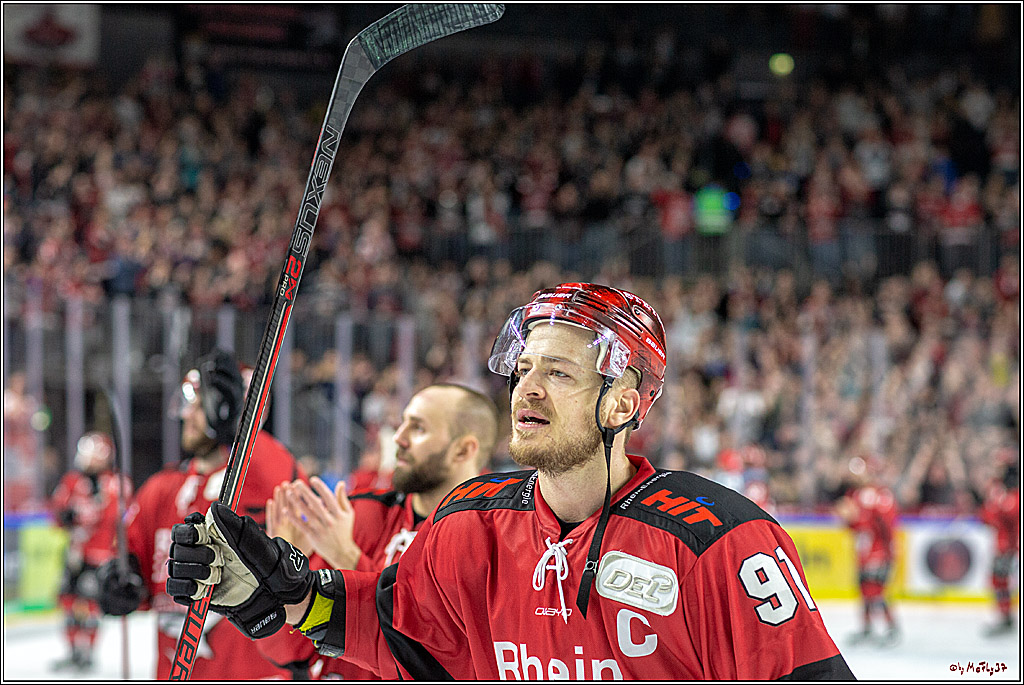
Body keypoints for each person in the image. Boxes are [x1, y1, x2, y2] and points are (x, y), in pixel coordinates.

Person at [166, 283, 854, 680]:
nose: (527, 386)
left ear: (622, 402)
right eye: (524, 367)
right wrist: (284, 593)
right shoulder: (468, 522)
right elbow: (395, 634)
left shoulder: (721, 542)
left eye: (558, 372)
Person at [256, 382, 500, 679]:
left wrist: (348, 556)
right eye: (402, 424)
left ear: (463, 450)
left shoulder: (490, 537)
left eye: (418, 428)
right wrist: (277, 581)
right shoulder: (359, 513)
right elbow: (289, 653)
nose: (399, 437)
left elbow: (435, 652)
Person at [97, 348, 308, 680]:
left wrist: (240, 428)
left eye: (199, 403)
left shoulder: (262, 476)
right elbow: (133, 561)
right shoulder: (161, 489)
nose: (186, 415)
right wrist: (120, 583)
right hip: (175, 671)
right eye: (187, 403)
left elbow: (278, 478)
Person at [49, 431, 131, 671]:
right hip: (76, 553)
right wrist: (67, 516)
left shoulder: (116, 482)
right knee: (68, 599)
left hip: (101, 554)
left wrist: (89, 511)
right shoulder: (72, 481)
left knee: (91, 603)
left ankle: (89, 651)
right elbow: (58, 511)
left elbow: (115, 516)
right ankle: (73, 650)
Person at [835, 456, 900, 647]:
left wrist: (890, 549)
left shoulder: (881, 495)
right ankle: (867, 627)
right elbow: (856, 525)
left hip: (878, 550)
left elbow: (886, 524)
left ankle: (890, 626)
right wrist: (848, 519)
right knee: (864, 590)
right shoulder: (855, 495)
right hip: (863, 551)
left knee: (876, 590)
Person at [977, 458, 1019, 637]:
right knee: (999, 581)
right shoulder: (1003, 494)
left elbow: (991, 517)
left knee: (1000, 581)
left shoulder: (1009, 497)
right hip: (1004, 547)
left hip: (1007, 547)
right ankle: (1005, 615)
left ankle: (1005, 616)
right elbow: (986, 517)